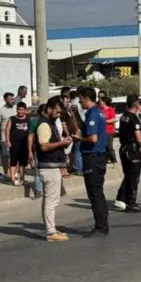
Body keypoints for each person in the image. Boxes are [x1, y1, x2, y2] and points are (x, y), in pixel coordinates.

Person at [34, 98, 72, 242]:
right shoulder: (44, 124)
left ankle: (52, 229)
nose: (58, 115)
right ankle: (51, 233)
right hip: (48, 168)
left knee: (50, 200)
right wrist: (61, 142)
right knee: (51, 201)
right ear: (49, 109)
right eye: (56, 112)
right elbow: (44, 146)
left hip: (52, 166)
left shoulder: (49, 122)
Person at [74, 87, 109, 237]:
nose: (79, 101)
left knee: (95, 194)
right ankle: (102, 225)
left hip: (93, 158)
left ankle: (101, 227)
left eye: (80, 98)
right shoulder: (96, 112)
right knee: (97, 193)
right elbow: (86, 128)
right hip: (98, 157)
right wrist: (75, 114)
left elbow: (92, 138)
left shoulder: (94, 113)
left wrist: (79, 139)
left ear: (86, 98)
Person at [115, 94, 141, 213]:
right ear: (135, 104)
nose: (140, 105)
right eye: (139, 103)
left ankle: (121, 199)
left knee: (128, 175)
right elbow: (138, 138)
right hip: (131, 150)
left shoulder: (123, 116)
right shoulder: (134, 118)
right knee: (134, 176)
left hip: (123, 149)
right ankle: (131, 202)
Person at [5, 102, 30, 186]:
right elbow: (7, 129)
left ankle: (22, 178)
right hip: (14, 143)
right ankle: (12, 178)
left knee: (23, 162)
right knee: (13, 161)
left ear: (25, 110)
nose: (20, 111)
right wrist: (8, 141)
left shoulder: (28, 119)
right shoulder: (12, 118)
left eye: (22, 110)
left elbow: (30, 133)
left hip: (24, 144)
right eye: (19, 109)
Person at [0, 92, 16, 179]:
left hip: (15, 136)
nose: (12, 101)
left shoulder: (15, 108)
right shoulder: (0, 111)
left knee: (14, 155)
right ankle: (6, 173)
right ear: (5, 100)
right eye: (10, 99)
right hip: (4, 137)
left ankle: (14, 173)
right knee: (6, 156)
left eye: (13, 99)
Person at [27, 103, 46, 199]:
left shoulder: (50, 120)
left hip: (49, 149)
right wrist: (30, 151)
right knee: (38, 171)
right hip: (38, 150)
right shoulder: (34, 121)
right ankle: (38, 190)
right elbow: (30, 136)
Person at [69, 89, 85, 176]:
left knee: (77, 150)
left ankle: (78, 168)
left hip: (78, 129)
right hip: (81, 128)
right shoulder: (79, 104)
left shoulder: (73, 105)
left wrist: (77, 129)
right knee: (76, 149)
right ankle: (76, 166)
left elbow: (74, 117)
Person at [99, 94, 118, 165]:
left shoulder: (110, 109)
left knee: (109, 146)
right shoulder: (99, 110)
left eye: (100, 101)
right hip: (101, 131)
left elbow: (114, 119)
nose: (99, 102)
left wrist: (105, 121)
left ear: (104, 102)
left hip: (109, 131)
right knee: (103, 146)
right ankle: (105, 160)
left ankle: (114, 160)